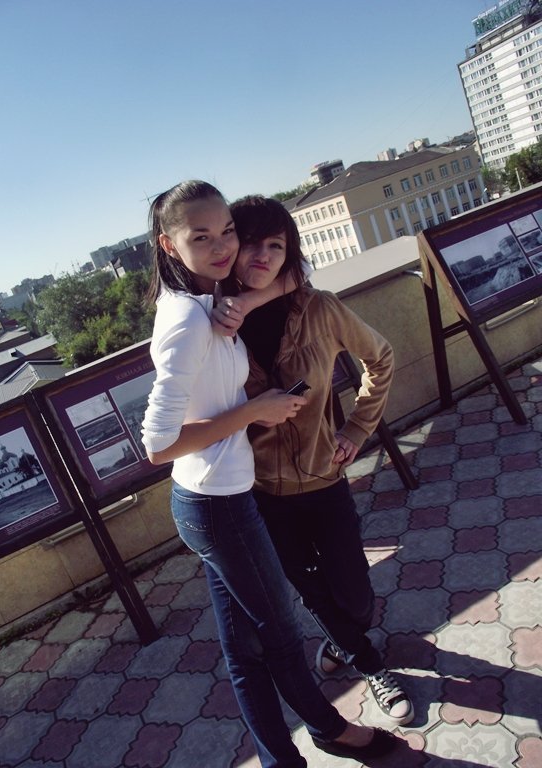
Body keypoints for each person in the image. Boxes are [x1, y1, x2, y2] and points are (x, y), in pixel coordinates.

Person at [140, 180, 396, 768]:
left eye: (227, 232)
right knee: (280, 635)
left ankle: (285, 756)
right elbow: (157, 445)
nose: (226, 247)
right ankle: (335, 725)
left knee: (248, 649)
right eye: (203, 237)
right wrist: (256, 410)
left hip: (234, 493)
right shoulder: (192, 317)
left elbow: (296, 275)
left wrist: (354, 428)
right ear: (170, 245)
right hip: (228, 499)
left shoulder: (211, 301)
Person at [212, 194, 414, 726]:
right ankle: (370, 664)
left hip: (324, 478)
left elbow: (381, 357)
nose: (262, 255)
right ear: (230, 247)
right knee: (311, 589)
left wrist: (357, 427)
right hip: (259, 493)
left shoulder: (318, 309)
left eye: (275, 246)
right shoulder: (214, 327)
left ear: (289, 254)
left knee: (356, 595)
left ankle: (343, 641)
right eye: (250, 242)